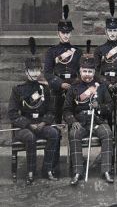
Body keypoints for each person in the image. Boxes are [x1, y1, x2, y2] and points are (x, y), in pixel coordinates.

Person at [8, 37, 59, 185]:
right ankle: (31, 171)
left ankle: (47, 169)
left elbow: (51, 110)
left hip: (40, 124)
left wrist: (43, 123)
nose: (35, 73)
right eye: (32, 70)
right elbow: (12, 114)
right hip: (24, 128)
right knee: (30, 137)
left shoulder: (45, 89)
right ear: (26, 72)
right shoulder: (18, 90)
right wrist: (29, 124)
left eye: (37, 70)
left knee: (54, 133)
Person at [64, 55, 114, 185]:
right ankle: (77, 172)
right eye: (85, 71)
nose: (87, 74)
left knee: (107, 133)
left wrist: (100, 107)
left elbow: (110, 106)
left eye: (90, 71)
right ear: (80, 71)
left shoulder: (101, 87)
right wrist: (72, 121)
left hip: (97, 120)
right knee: (74, 134)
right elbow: (67, 110)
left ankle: (106, 170)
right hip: (80, 121)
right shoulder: (73, 88)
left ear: (94, 72)